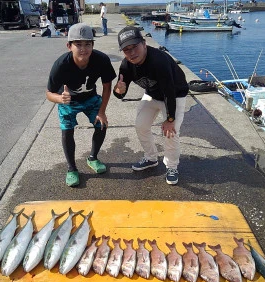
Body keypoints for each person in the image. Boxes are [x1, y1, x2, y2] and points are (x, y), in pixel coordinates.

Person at [113, 26, 189, 185]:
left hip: (175, 94)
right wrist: (118, 90)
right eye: (127, 50)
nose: (132, 52)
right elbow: (120, 92)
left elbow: (169, 91)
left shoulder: (159, 61)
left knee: (171, 132)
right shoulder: (127, 65)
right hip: (152, 94)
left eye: (134, 47)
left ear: (144, 43)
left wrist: (169, 119)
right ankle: (151, 157)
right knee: (140, 125)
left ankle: (172, 166)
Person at [46, 23, 116, 187]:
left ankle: (93, 158)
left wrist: (102, 111)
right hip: (68, 100)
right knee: (67, 131)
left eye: (87, 44)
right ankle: (71, 168)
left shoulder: (102, 60)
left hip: (91, 98)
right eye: (78, 44)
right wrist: (60, 99)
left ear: (93, 45)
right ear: (69, 46)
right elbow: (48, 93)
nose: (83, 49)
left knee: (102, 124)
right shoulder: (61, 65)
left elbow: (107, 86)